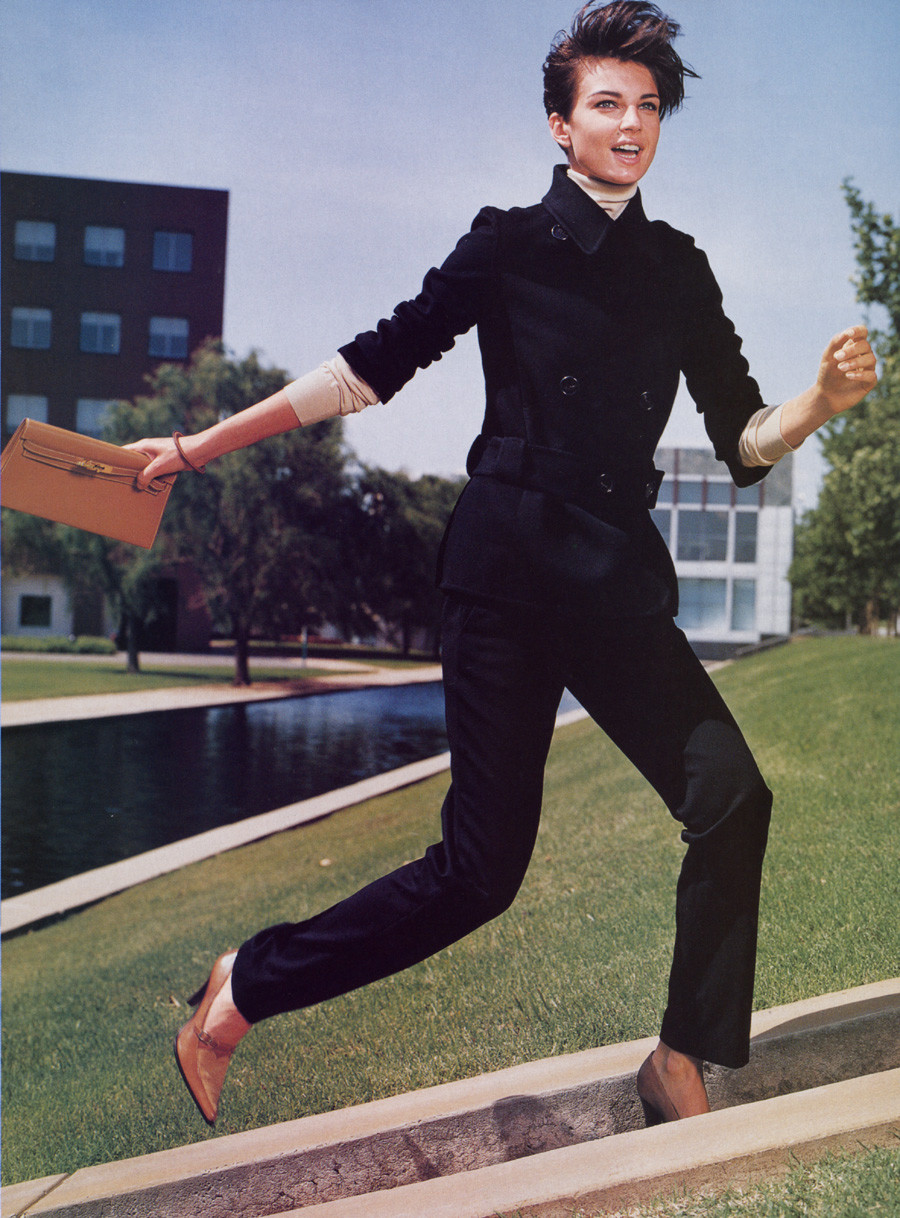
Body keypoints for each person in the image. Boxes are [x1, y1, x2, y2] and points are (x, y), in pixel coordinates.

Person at [129, 0, 876, 1129]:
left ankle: (679, 1058)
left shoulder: (680, 268)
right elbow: (368, 368)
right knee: (479, 876)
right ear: (560, 125)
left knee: (732, 797)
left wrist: (817, 402)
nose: (632, 124)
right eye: (608, 104)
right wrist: (194, 448)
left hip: (617, 585)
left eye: (649, 107)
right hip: (506, 582)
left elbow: (741, 439)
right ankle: (244, 988)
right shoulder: (508, 244)